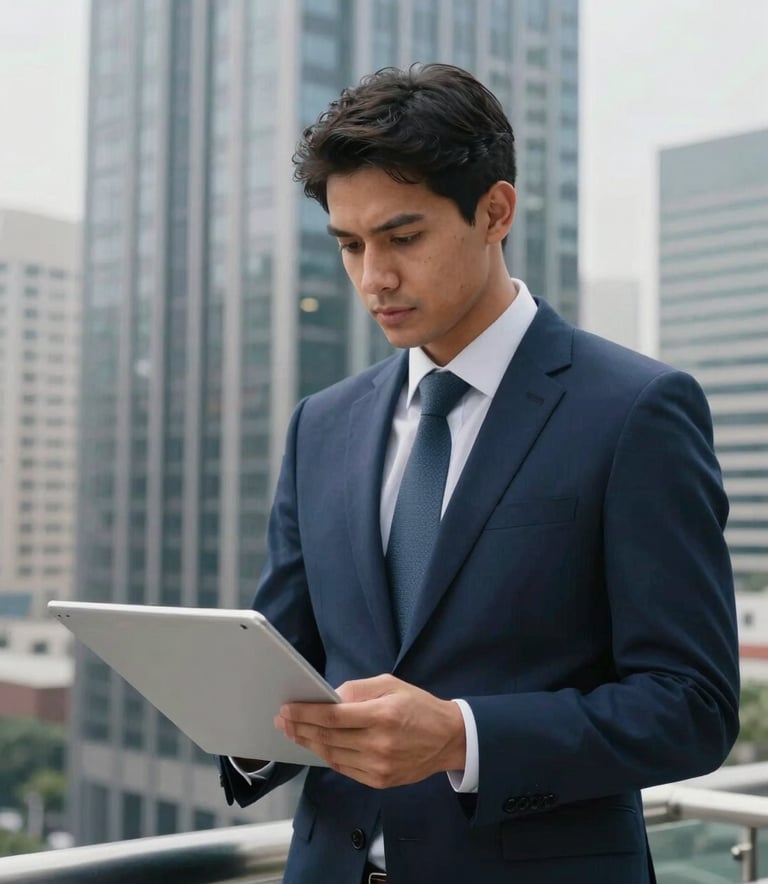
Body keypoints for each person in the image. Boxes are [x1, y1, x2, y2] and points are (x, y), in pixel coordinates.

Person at [218, 64, 739, 884]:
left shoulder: (636, 411)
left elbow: (692, 708)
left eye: (402, 237)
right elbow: (293, 657)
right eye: (350, 245)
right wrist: (237, 722)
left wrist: (463, 736)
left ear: (495, 211)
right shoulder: (322, 424)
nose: (372, 278)